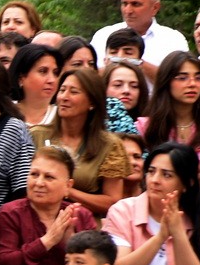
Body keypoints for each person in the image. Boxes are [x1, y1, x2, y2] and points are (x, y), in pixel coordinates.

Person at [31, 66, 128, 216]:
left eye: (74, 92)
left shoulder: (109, 145)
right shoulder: (36, 136)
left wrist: (67, 190)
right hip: (38, 218)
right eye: (62, 90)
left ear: (92, 102)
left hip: (85, 223)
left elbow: (112, 202)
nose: (64, 97)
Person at [90, 0, 186, 76]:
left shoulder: (173, 40)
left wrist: (138, 63)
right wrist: (114, 65)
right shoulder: (103, 36)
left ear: (155, 8)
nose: (128, 10)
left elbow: (180, 79)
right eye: (124, 4)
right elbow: (88, 77)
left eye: (135, 4)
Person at [139, 52, 200, 157]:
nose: (192, 84)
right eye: (182, 78)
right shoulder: (144, 127)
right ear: (166, 81)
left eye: (198, 78)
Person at [5, 42, 63, 130]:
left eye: (55, 73)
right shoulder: (2, 114)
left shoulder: (63, 117)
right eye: (43, 71)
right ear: (20, 78)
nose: (52, 80)